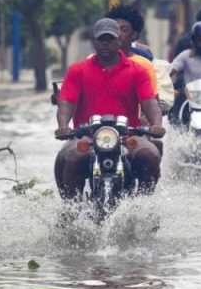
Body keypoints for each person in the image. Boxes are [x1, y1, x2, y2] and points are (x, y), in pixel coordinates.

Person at [54, 18, 165, 199]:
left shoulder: (138, 71)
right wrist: (63, 126)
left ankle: (144, 207)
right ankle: (71, 211)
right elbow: (66, 102)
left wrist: (156, 124)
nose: (105, 44)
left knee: (150, 155)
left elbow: (149, 102)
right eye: (101, 39)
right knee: (72, 157)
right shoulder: (77, 70)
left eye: (110, 39)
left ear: (119, 41)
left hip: (128, 136)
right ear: (94, 42)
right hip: (87, 136)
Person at [106, 3, 175, 117]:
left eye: (123, 30)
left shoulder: (146, 65)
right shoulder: (92, 61)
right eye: (113, 29)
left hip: (134, 126)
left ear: (134, 35)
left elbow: (157, 102)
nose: (117, 34)